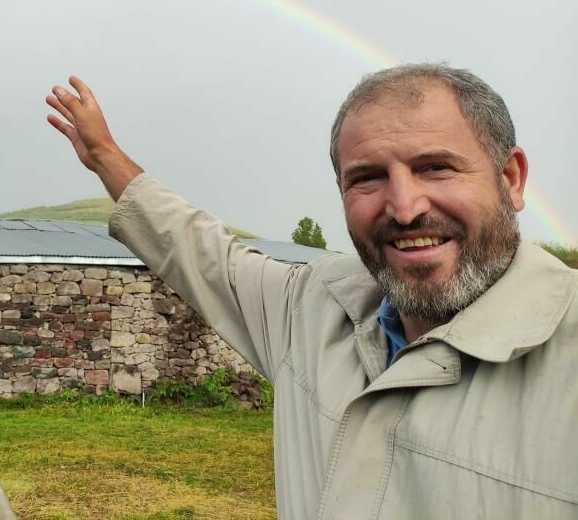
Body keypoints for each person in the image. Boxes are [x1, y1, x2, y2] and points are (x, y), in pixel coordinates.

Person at [45, 64, 576, 520]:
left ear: (510, 178)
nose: (405, 207)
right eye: (367, 178)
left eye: (435, 167)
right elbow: (203, 254)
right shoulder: (313, 306)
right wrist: (105, 156)